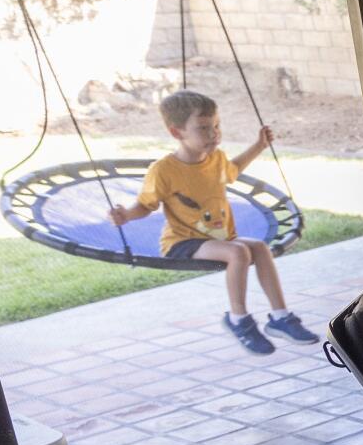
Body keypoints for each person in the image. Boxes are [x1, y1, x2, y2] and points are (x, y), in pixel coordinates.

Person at [106, 90, 320, 355]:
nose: (214, 133)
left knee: (260, 249)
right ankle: (238, 319)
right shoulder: (164, 170)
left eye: (217, 126)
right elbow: (145, 205)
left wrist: (259, 146)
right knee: (239, 251)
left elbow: (233, 170)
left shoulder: (216, 158)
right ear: (177, 133)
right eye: (204, 128)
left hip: (219, 239)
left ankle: (280, 317)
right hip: (183, 242)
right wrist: (125, 215)